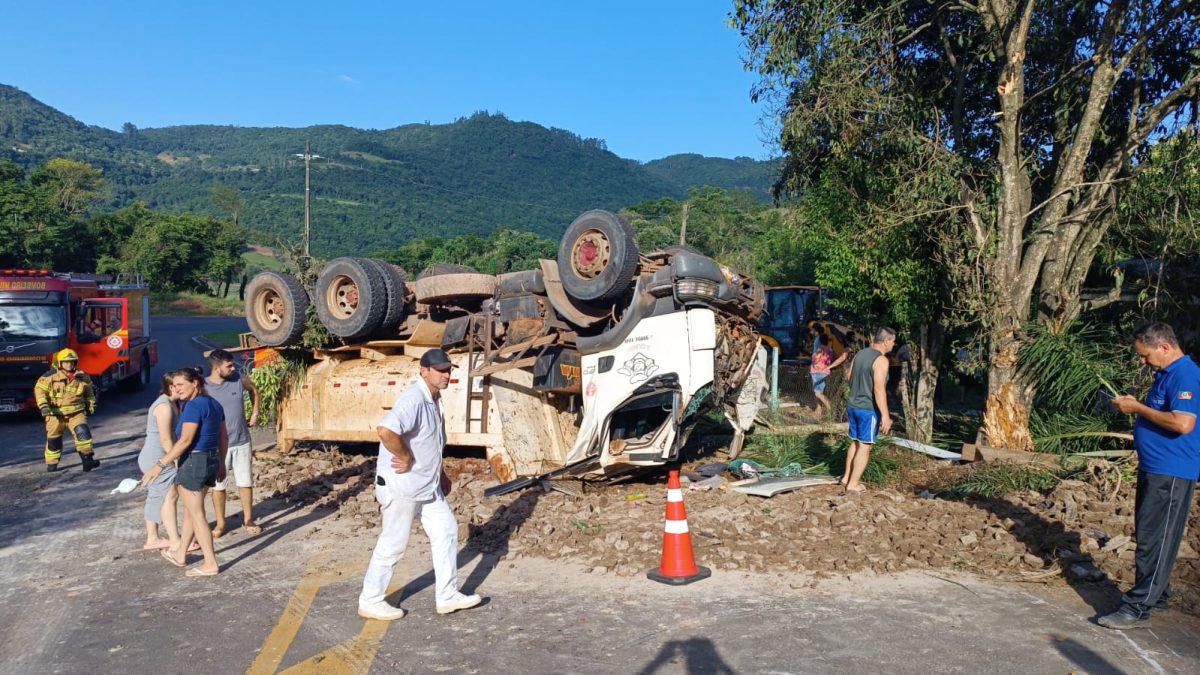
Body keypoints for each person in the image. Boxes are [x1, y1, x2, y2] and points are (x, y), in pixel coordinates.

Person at [358, 348, 481, 621]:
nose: (446, 375)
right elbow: (385, 431)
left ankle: (447, 595)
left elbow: (430, 443)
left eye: (448, 370)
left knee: (447, 531)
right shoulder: (414, 399)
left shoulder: (435, 400)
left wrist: (441, 473)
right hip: (402, 485)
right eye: (440, 370)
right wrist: (404, 456)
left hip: (427, 485)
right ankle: (370, 599)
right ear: (423, 371)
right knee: (394, 543)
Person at [1098, 322, 1199, 630]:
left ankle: (1137, 607)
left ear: (1164, 347)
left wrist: (1137, 408)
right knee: (1149, 535)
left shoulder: (1186, 375)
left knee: (1157, 539)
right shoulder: (1167, 375)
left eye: (1145, 355)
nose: (1142, 361)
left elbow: (1183, 424)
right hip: (1155, 469)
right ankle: (1159, 595)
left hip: (1171, 472)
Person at [140, 368, 227, 577]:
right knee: (191, 510)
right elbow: (224, 438)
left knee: (197, 515)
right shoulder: (214, 404)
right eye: (174, 385)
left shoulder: (193, 406)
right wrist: (222, 463)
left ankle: (210, 563)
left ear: (195, 383)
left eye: (180, 384)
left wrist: (159, 465)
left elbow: (185, 441)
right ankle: (180, 555)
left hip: (195, 462)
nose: (176, 389)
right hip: (211, 459)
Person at [205, 349, 262, 537]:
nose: (233, 368)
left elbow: (254, 390)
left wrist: (255, 413)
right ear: (215, 367)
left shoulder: (238, 379)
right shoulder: (204, 388)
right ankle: (221, 524)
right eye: (228, 366)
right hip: (218, 445)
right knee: (219, 485)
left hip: (242, 440)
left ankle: (248, 519)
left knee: (245, 482)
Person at [840, 327, 896, 493]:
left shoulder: (860, 354)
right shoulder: (881, 360)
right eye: (893, 341)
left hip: (852, 405)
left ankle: (846, 478)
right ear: (886, 341)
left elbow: (848, 377)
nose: (894, 345)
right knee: (865, 446)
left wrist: (859, 388)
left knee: (856, 442)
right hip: (868, 409)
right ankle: (853, 485)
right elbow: (879, 389)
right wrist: (886, 416)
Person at [137, 373, 183, 551]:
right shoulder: (164, 406)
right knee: (169, 495)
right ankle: (173, 540)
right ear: (171, 387)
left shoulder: (172, 403)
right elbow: (166, 438)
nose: (182, 388)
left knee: (158, 495)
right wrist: (175, 459)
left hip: (159, 456)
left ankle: (153, 537)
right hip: (157, 457)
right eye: (179, 385)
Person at [35, 348, 100, 472]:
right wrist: (43, 406)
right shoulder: (49, 377)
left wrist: (91, 403)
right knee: (54, 439)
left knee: (83, 433)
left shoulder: (82, 376)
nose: (69, 365)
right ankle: (52, 464)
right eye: (66, 362)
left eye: (71, 362)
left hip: (76, 413)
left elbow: (89, 392)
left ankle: (87, 460)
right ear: (60, 363)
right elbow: (40, 392)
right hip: (55, 414)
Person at [808, 329, 847, 416]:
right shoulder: (830, 350)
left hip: (817, 372)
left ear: (820, 340)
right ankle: (818, 409)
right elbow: (835, 358)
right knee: (818, 391)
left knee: (817, 393)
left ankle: (830, 408)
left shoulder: (820, 349)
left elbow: (816, 359)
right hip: (825, 373)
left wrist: (814, 361)